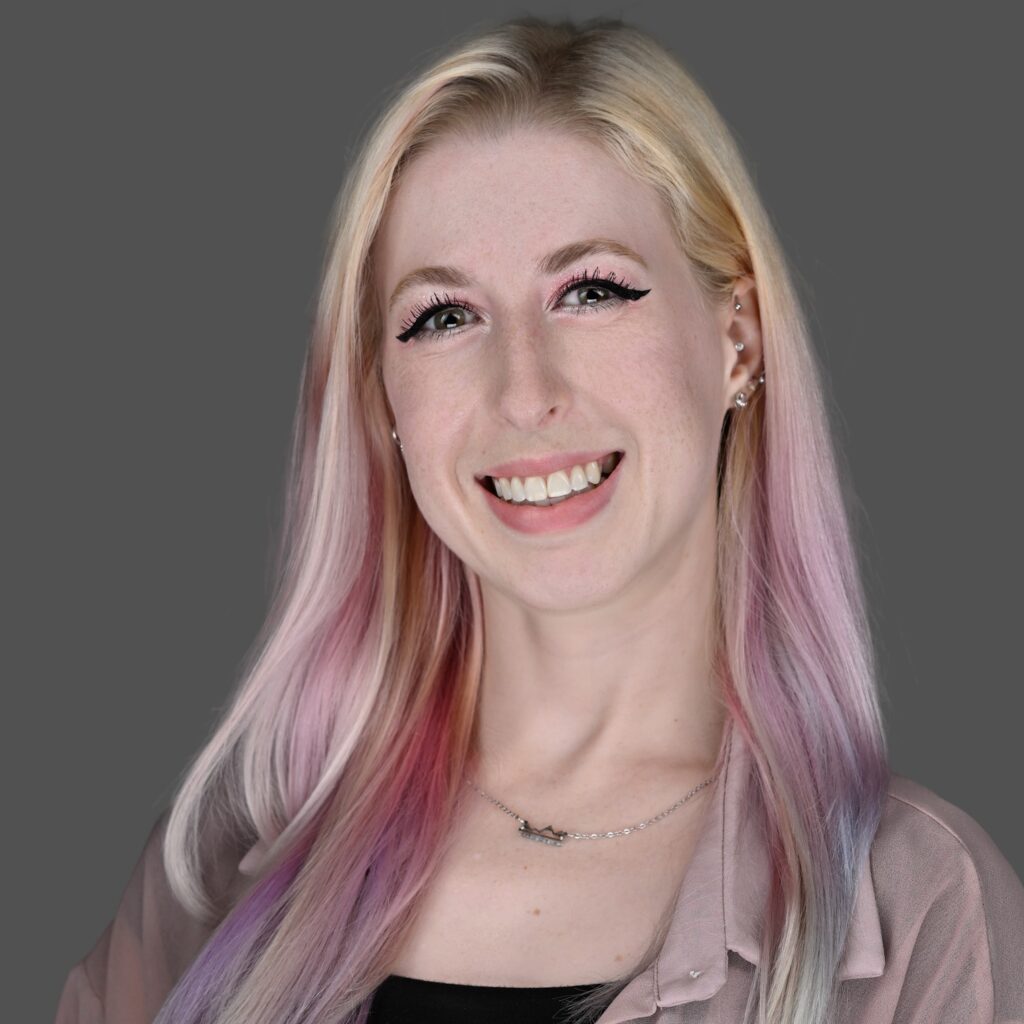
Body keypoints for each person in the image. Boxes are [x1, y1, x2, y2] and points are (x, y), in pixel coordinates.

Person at [55, 15, 1024, 1024]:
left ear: (735, 341)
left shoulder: (917, 911)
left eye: (591, 291)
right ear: (382, 396)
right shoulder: (222, 875)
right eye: (443, 315)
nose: (523, 391)